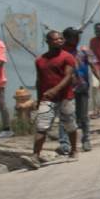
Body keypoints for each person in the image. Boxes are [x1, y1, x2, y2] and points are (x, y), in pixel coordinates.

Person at [33, 30, 79, 161]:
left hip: (65, 97)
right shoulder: (40, 60)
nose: (59, 41)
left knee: (70, 125)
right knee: (42, 127)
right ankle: (35, 155)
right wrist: (38, 99)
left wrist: (55, 89)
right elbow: (38, 81)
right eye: (56, 39)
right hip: (47, 99)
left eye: (61, 39)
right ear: (48, 42)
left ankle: (74, 150)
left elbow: (68, 76)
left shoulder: (67, 57)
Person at [57, 28, 97, 153]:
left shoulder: (84, 51)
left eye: (77, 37)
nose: (77, 40)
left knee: (83, 116)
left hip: (82, 87)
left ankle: (86, 140)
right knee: (66, 115)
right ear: (67, 38)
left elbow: (93, 65)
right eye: (74, 37)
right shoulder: (60, 52)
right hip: (66, 88)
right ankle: (64, 143)